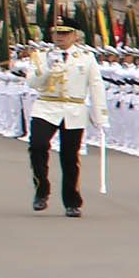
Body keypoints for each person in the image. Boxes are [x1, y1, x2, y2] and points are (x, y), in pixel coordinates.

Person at [25, 17, 105, 216]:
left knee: (70, 157)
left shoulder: (86, 57)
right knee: (37, 145)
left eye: (64, 33)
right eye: (56, 33)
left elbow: (96, 86)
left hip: (73, 109)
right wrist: (46, 69)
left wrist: (101, 115)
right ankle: (42, 188)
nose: (59, 37)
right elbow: (32, 82)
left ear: (75, 35)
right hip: (46, 106)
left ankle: (72, 201)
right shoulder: (43, 55)